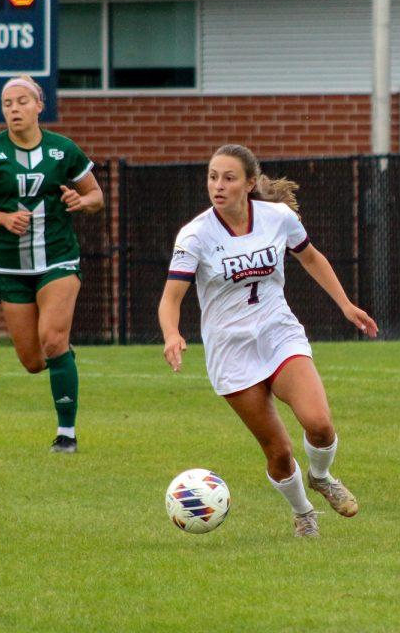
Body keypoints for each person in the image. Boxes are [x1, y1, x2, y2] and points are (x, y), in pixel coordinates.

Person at [158, 144, 378, 538]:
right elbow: (171, 297)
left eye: (228, 178)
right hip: (231, 351)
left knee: (320, 424)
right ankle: (303, 513)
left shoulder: (278, 217)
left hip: (279, 334)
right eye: (212, 177)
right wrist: (172, 333)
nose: (218, 186)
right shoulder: (195, 235)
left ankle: (322, 476)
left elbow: (311, 257)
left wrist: (345, 304)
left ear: (250, 183)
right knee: (278, 452)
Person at [0, 75, 104, 454]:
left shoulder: (62, 150)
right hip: (10, 266)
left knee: (53, 339)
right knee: (32, 361)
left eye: (22, 101)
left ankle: (66, 435)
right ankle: (64, 362)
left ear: (39, 105)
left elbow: (96, 197)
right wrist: (3, 219)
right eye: (8, 104)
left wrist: (80, 201)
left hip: (58, 257)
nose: (14, 109)